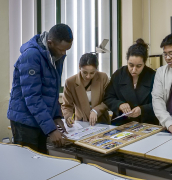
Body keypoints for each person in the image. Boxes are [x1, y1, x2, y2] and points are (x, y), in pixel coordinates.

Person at [7, 23, 73, 153]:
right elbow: (33, 97)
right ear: (50, 43)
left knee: (41, 161)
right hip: (25, 121)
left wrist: (55, 116)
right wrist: (51, 129)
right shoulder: (31, 56)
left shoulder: (55, 55)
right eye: (61, 49)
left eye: (67, 49)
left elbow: (51, 91)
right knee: (28, 166)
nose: (64, 53)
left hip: (39, 119)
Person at [104, 39, 158, 126]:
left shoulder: (153, 76)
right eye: (131, 65)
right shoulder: (119, 75)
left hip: (146, 124)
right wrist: (119, 104)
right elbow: (108, 97)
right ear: (127, 61)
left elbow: (159, 102)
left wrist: (142, 110)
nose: (134, 70)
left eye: (139, 66)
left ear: (144, 63)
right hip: (122, 124)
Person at [62, 53, 110, 127]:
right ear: (79, 67)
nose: (88, 76)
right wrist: (68, 116)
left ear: (96, 69)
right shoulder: (70, 82)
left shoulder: (103, 77)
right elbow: (67, 106)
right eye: (84, 72)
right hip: (81, 122)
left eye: (92, 73)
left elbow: (109, 99)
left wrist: (96, 110)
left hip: (101, 121)